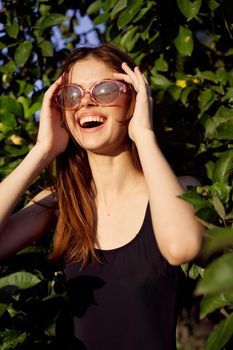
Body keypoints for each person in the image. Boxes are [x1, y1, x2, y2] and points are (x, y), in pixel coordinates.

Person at [0, 43, 203, 349]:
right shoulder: (61, 202)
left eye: (105, 90)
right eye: (71, 95)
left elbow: (181, 248)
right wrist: (42, 151)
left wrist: (144, 135)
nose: (86, 102)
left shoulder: (177, 190)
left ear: (135, 100)